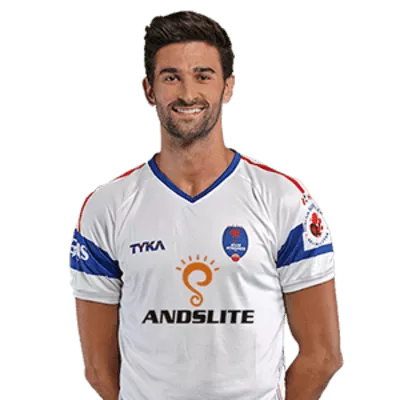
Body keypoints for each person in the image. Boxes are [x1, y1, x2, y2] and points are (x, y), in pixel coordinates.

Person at [69, 10, 344, 400]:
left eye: (203, 76)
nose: (187, 94)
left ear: (228, 87)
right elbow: (98, 369)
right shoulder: (106, 208)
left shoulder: (284, 200)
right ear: (148, 90)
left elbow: (323, 356)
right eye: (171, 77)